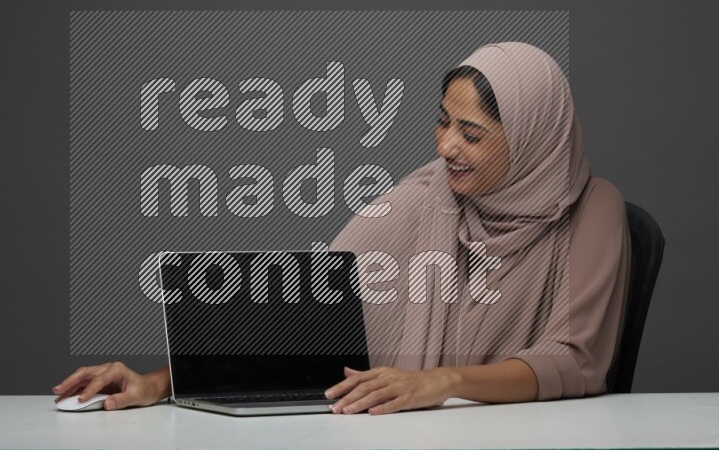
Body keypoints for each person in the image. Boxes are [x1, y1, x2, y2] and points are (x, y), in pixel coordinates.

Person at [53, 41, 631, 416]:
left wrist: (441, 381)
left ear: (533, 139)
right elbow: (306, 326)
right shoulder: (429, 198)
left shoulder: (592, 207)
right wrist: (160, 383)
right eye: (442, 123)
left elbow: (575, 360)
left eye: (472, 134)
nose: (446, 147)